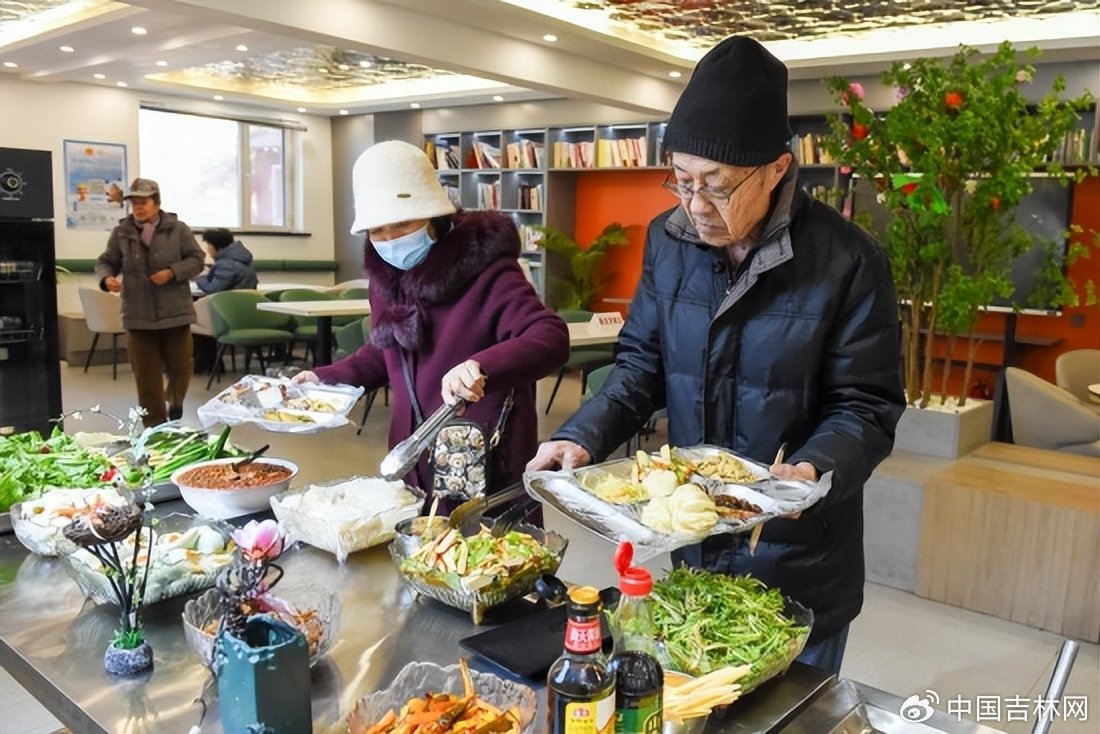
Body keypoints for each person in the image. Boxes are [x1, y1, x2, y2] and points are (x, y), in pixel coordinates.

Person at [527, 36, 906, 675]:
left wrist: (814, 468)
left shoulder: (849, 261)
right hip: (691, 541)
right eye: (681, 181)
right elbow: (641, 364)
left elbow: (866, 405)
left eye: (717, 186)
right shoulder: (667, 242)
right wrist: (581, 436)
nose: (696, 206)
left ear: (778, 169)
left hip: (798, 557)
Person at [294, 140, 569, 501]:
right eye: (376, 231)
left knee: (486, 553)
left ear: (435, 216)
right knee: (418, 549)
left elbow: (549, 337)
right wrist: (323, 377)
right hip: (414, 457)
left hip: (483, 457)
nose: (390, 239)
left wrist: (480, 366)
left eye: (402, 223)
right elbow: (386, 349)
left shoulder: (486, 270)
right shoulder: (387, 280)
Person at [95, 178, 204, 426]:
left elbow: (197, 259)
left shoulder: (178, 229)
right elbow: (106, 261)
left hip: (175, 313)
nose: (138, 208)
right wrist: (107, 278)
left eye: (143, 202)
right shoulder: (122, 232)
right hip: (137, 315)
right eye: (134, 203)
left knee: (180, 370)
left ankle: (175, 401)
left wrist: (172, 271)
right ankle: (155, 427)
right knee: (146, 378)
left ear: (157, 203)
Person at [193, 228, 259, 293]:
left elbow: (212, 289)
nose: (207, 249)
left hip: (230, 302)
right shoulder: (241, 259)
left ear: (217, 246)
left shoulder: (226, 265)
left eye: (209, 245)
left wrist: (199, 277)